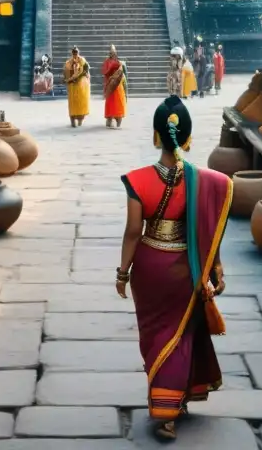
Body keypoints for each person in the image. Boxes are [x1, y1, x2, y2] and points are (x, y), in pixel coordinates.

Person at [117, 96, 231, 441]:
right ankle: (174, 401)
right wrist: (216, 266)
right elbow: (209, 225)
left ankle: (164, 409)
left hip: (150, 269)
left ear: (156, 135)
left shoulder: (137, 181)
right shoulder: (205, 181)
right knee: (180, 335)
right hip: (185, 269)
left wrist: (123, 273)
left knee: (155, 337)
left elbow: (133, 232)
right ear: (187, 138)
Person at [63, 47, 91, 127]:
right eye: (74, 53)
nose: (75, 54)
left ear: (78, 52)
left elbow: (86, 70)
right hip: (72, 86)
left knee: (81, 102)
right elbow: (65, 72)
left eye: (76, 52)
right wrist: (68, 78)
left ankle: (80, 119)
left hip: (81, 85)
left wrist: (80, 75)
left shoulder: (82, 60)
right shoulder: (68, 62)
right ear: (72, 53)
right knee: (72, 103)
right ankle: (72, 120)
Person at [102, 45, 127, 128]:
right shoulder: (106, 62)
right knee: (110, 103)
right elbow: (105, 72)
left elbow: (122, 73)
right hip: (110, 85)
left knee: (118, 102)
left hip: (117, 85)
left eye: (114, 53)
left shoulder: (120, 63)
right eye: (111, 53)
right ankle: (109, 118)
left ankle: (118, 120)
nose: (112, 54)